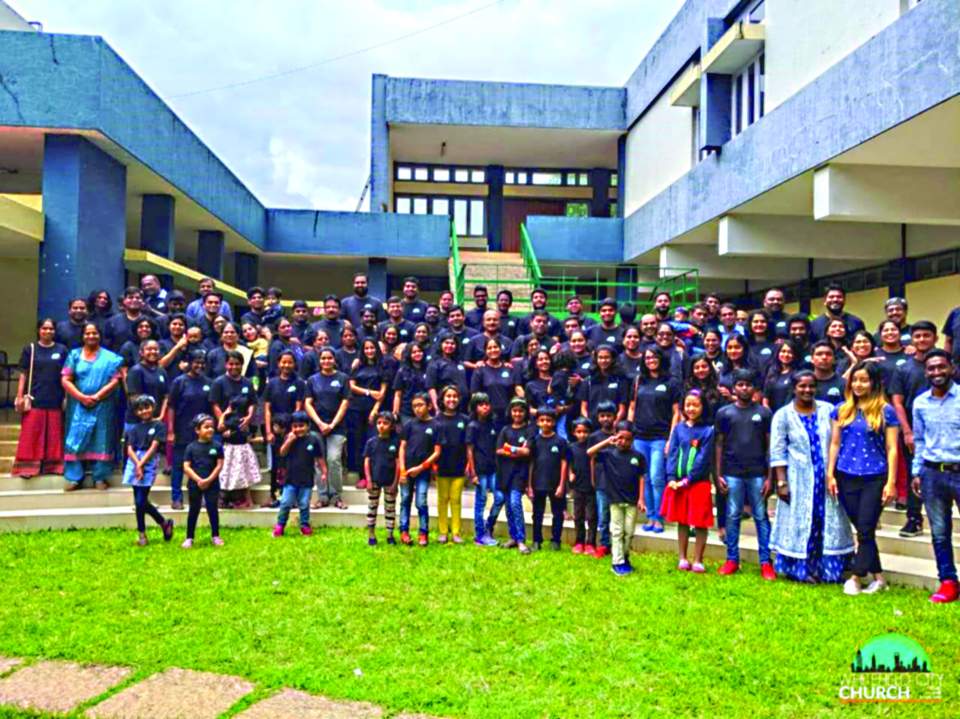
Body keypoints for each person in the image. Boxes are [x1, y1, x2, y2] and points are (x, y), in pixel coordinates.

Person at [769, 371, 854, 583]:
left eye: (811, 386)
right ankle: (801, 569)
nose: (807, 390)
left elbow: (838, 440)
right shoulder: (783, 415)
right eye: (802, 386)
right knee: (801, 521)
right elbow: (777, 450)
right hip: (798, 479)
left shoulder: (828, 410)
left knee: (827, 520)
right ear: (794, 388)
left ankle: (828, 570)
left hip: (827, 477)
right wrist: (781, 482)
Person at [826, 361, 899, 596]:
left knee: (866, 528)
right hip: (845, 475)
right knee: (863, 529)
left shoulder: (886, 411)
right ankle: (879, 578)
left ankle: (856, 577)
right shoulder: (841, 410)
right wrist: (830, 474)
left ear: (874, 383)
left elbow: (892, 448)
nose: (858, 384)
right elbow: (835, 443)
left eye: (864, 380)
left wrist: (891, 482)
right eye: (855, 380)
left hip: (875, 478)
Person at [715, 370, 775, 580]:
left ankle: (766, 562)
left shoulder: (764, 413)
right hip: (732, 472)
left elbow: (770, 446)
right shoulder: (725, 413)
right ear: (734, 388)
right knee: (732, 515)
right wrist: (718, 474)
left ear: (754, 388)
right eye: (740, 384)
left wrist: (770, 477)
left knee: (760, 516)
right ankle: (732, 559)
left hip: (757, 472)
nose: (744, 388)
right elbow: (719, 445)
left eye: (748, 385)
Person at [911, 349, 960, 603]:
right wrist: (916, 471)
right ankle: (948, 582)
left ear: (951, 368)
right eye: (931, 368)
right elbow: (919, 440)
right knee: (940, 532)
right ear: (925, 372)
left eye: (941, 367)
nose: (937, 372)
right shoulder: (920, 403)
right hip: (932, 473)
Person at [61, 323, 123, 490]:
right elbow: (65, 379)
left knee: (102, 438)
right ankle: (74, 478)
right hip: (78, 405)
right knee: (75, 439)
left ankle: (100, 478)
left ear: (100, 335)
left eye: (94, 333)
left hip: (103, 404)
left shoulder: (111, 358)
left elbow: (115, 380)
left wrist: (97, 396)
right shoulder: (74, 355)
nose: (91, 336)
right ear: (82, 336)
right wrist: (81, 397)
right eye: (87, 333)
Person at [890, 321, 938, 538]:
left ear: (935, 338)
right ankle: (914, 519)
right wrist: (907, 431)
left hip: (943, 430)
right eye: (917, 336)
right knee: (914, 473)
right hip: (913, 430)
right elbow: (897, 402)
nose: (922, 340)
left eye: (926, 335)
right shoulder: (904, 369)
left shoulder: (944, 365)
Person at [628, 347, 680, 533]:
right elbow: (632, 407)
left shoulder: (671, 382)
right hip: (640, 436)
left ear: (661, 358)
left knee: (657, 477)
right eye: (648, 357)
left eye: (654, 356)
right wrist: (628, 431)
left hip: (660, 436)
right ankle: (650, 516)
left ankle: (659, 517)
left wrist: (671, 439)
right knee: (645, 476)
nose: (651, 360)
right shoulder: (639, 380)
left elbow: (677, 413)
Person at [663, 391, 715, 573]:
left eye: (695, 405)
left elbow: (703, 459)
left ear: (703, 407)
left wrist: (688, 480)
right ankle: (682, 558)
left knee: (700, 521)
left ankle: (698, 559)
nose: (691, 408)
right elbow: (673, 453)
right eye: (688, 405)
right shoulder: (678, 428)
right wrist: (671, 478)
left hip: (698, 483)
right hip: (677, 483)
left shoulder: (708, 431)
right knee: (682, 520)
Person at [588, 422, 646, 576]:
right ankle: (617, 562)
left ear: (632, 440)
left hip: (632, 500)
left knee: (629, 532)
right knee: (617, 531)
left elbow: (641, 477)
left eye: (628, 439)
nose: (623, 442)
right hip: (614, 499)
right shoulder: (608, 454)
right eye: (620, 438)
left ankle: (624, 557)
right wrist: (608, 441)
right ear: (615, 436)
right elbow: (590, 452)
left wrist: (641, 499)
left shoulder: (638, 457)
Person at [12, 319, 67, 478]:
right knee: (31, 434)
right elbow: (23, 374)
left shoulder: (62, 350)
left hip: (55, 398)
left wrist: (66, 397)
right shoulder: (30, 349)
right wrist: (19, 395)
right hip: (34, 398)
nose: (48, 331)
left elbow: (66, 375)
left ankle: (53, 467)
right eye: (44, 328)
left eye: (51, 329)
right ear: (38, 330)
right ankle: (27, 468)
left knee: (54, 435)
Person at [122, 394, 174, 546]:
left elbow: (154, 446)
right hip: (134, 460)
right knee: (139, 500)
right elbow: (129, 448)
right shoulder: (134, 428)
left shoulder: (158, 426)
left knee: (140, 501)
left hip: (149, 460)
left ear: (153, 407)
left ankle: (151, 529)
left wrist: (141, 465)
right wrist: (137, 464)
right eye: (140, 409)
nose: (144, 411)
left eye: (147, 407)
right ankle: (149, 531)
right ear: (136, 412)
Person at [305, 347, 350, 509]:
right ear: (319, 361)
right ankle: (323, 496)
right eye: (323, 358)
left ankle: (337, 496)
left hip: (337, 427)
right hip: (317, 426)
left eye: (329, 358)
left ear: (334, 360)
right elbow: (308, 403)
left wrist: (332, 425)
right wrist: (320, 423)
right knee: (319, 462)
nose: (326, 361)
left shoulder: (343, 378)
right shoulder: (312, 380)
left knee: (333, 459)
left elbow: (345, 403)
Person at [167, 350, 212, 510]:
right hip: (182, 430)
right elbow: (171, 407)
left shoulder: (208, 382)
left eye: (202, 362)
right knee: (179, 466)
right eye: (196, 362)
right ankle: (176, 498)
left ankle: (203, 497)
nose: (199, 365)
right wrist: (170, 431)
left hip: (202, 432)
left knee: (203, 465)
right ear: (189, 363)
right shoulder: (179, 382)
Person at [264, 351, 306, 504]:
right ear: (278, 363)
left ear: (294, 364)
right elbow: (267, 409)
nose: (286, 365)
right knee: (276, 464)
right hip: (275, 430)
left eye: (290, 362)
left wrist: (292, 431)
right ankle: (274, 496)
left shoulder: (299, 383)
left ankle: (292, 498)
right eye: (283, 362)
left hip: (292, 430)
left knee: (292, 464)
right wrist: (269, 431)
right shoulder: (272, 383)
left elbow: (298, 408)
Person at [398, 393, 439, 546]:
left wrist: (421, 467)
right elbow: (402, 448)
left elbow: (437, 452)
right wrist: (403, 470)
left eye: (420, 405)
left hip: (423, 471)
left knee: (421, 501)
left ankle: (423, 533)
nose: (417, 409)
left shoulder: (436, 425)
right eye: (414, 406)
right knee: (405, 500)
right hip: (407, 470)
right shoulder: (409, 424)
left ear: (429, 406)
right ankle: (404, 531)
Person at [527, 407, 568, 551]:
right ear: (537, 422)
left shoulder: (561, 441)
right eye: (542, 420)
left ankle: (556, 540)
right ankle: (536, 540)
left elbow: (564, 463)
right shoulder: (535, 441)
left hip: (555, 484)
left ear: (554, 422)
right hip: (538, 483)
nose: (545, 423)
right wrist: (529, 485)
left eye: (548, 420)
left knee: (558, 513)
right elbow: (531, 463)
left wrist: (562, 485)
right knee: (537, 514)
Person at [496, 398, 533, 554]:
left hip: (520, 474)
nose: (517, 414)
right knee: (509, 507)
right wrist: (517, 450)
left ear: (525, 413)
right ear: (510, 412)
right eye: (515, 411)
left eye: (520, 411)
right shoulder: (505, 430)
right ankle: (513, 537)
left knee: (515, 503)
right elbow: (499, 450)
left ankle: (521, 540)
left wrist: (509, 448)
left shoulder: (529, 430)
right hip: (505, 473)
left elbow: (527, 451)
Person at [433, 385, 470, 544]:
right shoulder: (436, 420)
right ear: (442, 399)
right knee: (442, 499)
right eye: (448, 396)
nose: (451, 399)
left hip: (459, 465)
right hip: (441, 466)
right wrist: (433, 466)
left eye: (455, 396)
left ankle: (456, 532)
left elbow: (468, 445)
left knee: (456, 499)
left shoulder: (465, 420)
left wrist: (468, 464)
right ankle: (443, 531)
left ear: (459, 399)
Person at [181, 414, 224, 548]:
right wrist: (199, 480)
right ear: (197, 430)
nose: (210, 429)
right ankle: (189, 537)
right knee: (194, 509)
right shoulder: (190, 447)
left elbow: (219, 465)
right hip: (195, 483)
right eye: (206, 427)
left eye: (212, 427)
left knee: (212, 508)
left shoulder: (217, 446)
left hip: (212, 483)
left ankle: (215, 535)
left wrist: (209, 480)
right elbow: (186, 467)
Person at [466, 392, 502, 546]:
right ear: (475, 407)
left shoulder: (493, 424)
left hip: (493, 468)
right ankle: (479, 535)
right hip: (479, 470)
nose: (485, 407)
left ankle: (488, 526)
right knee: (481, 501)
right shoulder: (472, 426)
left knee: (500, 497)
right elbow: (469, 450)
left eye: (487, 404)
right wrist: (473, 473)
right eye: (481, 405)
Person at [363, 411, 401, 545]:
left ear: (392, 426)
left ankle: (390, 535)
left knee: (390, 508)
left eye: (385, 423)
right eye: (379, 423)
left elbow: (398, 464)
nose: (381, 425)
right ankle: (371, 535)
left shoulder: (395, 443)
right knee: (372, 507)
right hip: (374, 480)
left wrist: (395, 483)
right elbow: (367, 462)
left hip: (390, 481)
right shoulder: (371, 442)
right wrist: (368, 480)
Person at [217, 395, 260, 509]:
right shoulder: (246, 420)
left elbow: (220, 427)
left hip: (233, 450)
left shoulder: (233, 419)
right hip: (244, 448)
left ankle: (242, 500)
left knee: (233, 474)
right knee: (244, 474)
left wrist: (224, 414)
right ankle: (247, 500)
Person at [567, 417, 597, 555]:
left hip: (591, 486)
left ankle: (591, 542)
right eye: (579, 432)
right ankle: (579, 541)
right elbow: (568, 463)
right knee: (578, 515)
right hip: (577, 486)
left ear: (590, 432)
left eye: (585, 432)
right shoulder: (571, 447)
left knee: (591, 516)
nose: (582, 435)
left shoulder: (593, 447)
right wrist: (570, 474)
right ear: (574, 433)